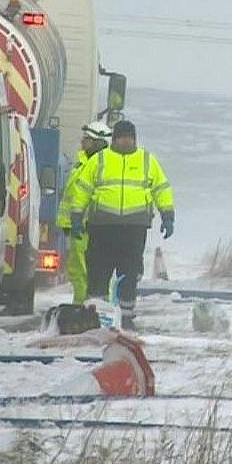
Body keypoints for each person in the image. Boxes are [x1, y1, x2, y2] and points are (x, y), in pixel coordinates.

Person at [70, 120, 175, 329]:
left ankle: (127, 317)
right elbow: (83, 189)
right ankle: (96, 316)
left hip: (134, 229)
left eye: (130, 137)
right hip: (102, 227)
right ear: (114, 139)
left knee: (129, 273)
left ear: (135, 139)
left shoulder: (147, 160)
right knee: (98, 271)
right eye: (122, 137)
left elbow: (161, 188)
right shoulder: (100, 160)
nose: (126, 141)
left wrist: (167, 214)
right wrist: (76, 216)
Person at [57, 121, 112, 304]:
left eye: (87, 140)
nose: (83, 143)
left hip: (89, 228)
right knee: (77, 272)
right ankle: (83, 305)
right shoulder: (83, 163)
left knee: (88, 272)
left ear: (98, 143)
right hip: (78, 227)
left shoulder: (99, 166)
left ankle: (89, 308)